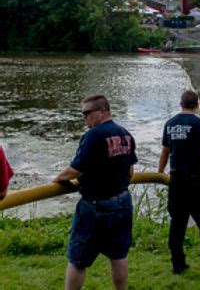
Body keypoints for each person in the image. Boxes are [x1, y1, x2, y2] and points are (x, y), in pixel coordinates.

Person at [53, 95, 137, 290]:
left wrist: (58, 179)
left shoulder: (93, 135)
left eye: (87, 113)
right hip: (123, 202)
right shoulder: (125, 133)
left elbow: (76, 169)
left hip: (96, 205)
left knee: (78, 259)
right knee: (119, 255)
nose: (84, 119)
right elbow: (130, 171)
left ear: (103, 111)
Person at [158, 90, 200, 276]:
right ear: (197, 104)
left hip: (176, 183)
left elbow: (165, 152)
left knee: (177, 224)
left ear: (181, 104)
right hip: (197, 183)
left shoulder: (170, 124)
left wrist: (160, 173)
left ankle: (178, 264)